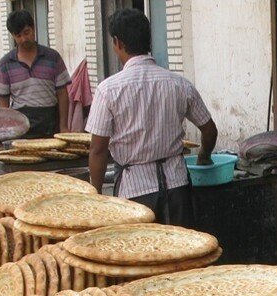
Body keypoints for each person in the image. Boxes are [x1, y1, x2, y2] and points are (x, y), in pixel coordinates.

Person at [86, 8, 217, 227]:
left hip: (133, 193)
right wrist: (204, 156)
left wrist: (96, 193)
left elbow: (98, 149)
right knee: (182, 247)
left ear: (117, 42)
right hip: (177, 188)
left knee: (140, 248)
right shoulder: (179, 84)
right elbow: (210, 130)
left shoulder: (108, 90)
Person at [0, 10, 70, 137]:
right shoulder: (5, 64)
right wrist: (2, 132)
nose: (24, 39)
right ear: (12, 35)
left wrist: (64, 126)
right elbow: (3, 102)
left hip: (51, 124)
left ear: (34, 28)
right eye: (18, 35)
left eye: (27, 32)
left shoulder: (53, 57)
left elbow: (62, 94)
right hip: (20, 128)